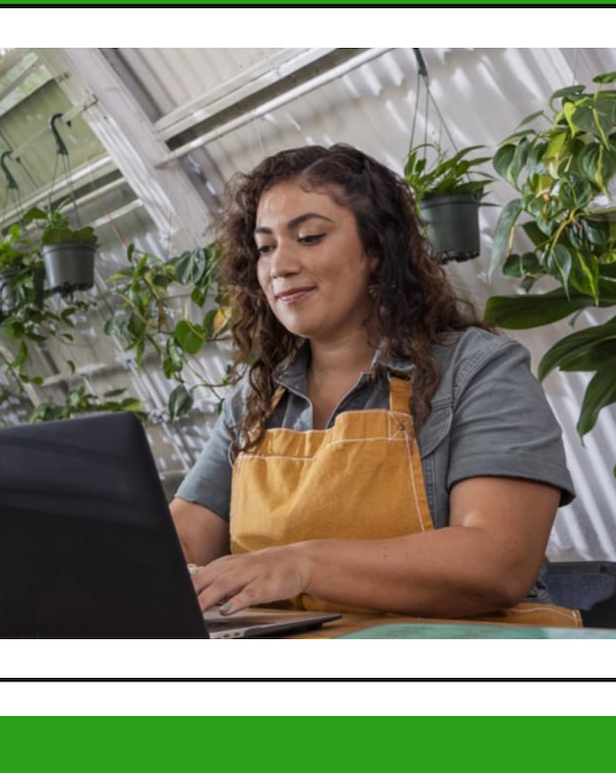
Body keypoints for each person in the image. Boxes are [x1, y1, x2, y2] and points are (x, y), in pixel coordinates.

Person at [170, 143, 577, 621]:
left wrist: (301, 564)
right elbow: (180, 543)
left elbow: (499, 561)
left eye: (309, 237)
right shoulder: (254, 401)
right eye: (265, 247)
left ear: (377, 251)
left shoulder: (476, 370)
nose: (279, 266)